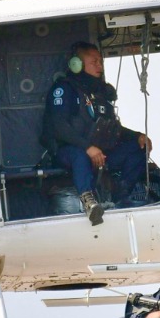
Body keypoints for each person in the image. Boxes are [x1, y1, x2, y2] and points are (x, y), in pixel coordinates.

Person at [41, 42, 153, 226]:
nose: (99, 66)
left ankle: (121, 197)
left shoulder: (99, 94)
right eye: (94, 62)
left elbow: (113, 128)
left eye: (100, 62)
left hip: (100, 153)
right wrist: (88, 148)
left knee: (137, 149)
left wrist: (137, 136)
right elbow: (59, 126)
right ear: (77, 64)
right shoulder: (63, 89)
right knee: (80, 155)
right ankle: (89, 202)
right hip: (69, 152)